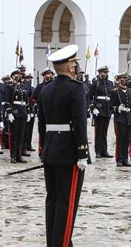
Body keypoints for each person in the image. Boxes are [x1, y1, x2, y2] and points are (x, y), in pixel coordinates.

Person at [38, 44, 89, 246]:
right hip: (69, 153)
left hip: (50, 150)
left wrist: (43, 149)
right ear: (69, 67)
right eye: (74, 64)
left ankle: (55, 241)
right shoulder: (76, 89)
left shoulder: (46, 89)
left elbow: (42, 124)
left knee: (53, 200)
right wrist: (82, 152)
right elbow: (79, 123)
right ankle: (62, 243)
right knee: (67, 204)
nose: (76, 67)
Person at [110, 71, 131, 167]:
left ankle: (125, 159)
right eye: (122, 79)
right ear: (118, 80)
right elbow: (110, 106)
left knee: (127, 140)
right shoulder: (115, 91)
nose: (123, 80)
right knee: (120, 140)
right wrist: (117, 108)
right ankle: (119, 159)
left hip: (128, 117)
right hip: (120, 118)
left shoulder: (130, 91)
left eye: (125, 79)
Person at [5, 69, 30, 163]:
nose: (18, 76)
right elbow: (7, 101)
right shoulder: (10, 87)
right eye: (16, 75)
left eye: (19, 75)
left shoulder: (24, 87)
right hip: (15, 112)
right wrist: (9, 113)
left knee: (21, 136)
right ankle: (13, 156)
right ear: (12, 76)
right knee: (14, 136)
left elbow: (27, 101)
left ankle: (19, 155)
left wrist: (28, 112)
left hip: (23, 112)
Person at [89, 66, 114, 158]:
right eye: (103, 72)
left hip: (107, 109)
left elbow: (113, 96)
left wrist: (112, 109)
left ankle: (104, 151)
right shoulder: (95, 84)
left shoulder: (110, 83)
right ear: (99, 73)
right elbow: (89, 97)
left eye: (106, 72)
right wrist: (93, 108)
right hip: (99, 110)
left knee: (105, 132)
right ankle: (98, 151)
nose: (105, 74)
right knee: (99, 132)